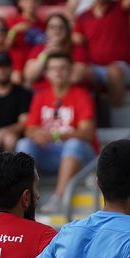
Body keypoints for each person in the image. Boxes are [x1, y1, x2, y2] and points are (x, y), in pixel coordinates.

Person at [16, 52, 99, 213]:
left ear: (70, 71)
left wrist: (55, 135)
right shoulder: (41, 96)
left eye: (63, 68)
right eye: (53, 69)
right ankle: (26, 198)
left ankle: (59, 198)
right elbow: (29, 128)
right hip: (52, 154)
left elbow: (87, 132)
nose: (58, 72)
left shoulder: (81, 95)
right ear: (46, 73)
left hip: (83, 157)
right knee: (24, 143)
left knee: (73, 144)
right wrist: (36, 134)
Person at [74, 0, 130, 107]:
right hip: (95, 68)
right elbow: (76, 40)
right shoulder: (83, 16)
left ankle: (116, 117)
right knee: (76, 73)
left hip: (123, 67)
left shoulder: (119, 7)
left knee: (113, 71)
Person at [24, 13, 91, 87]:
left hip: (68, 91)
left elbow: (75, 77)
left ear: (67, 31)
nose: (56, 30)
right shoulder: (38, 49)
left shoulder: (77, 49)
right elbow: (29, 76)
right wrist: (45, 54)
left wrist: (47, 72)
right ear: (46, 30)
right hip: (42, 92)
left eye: (61, 27)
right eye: (52, 27)